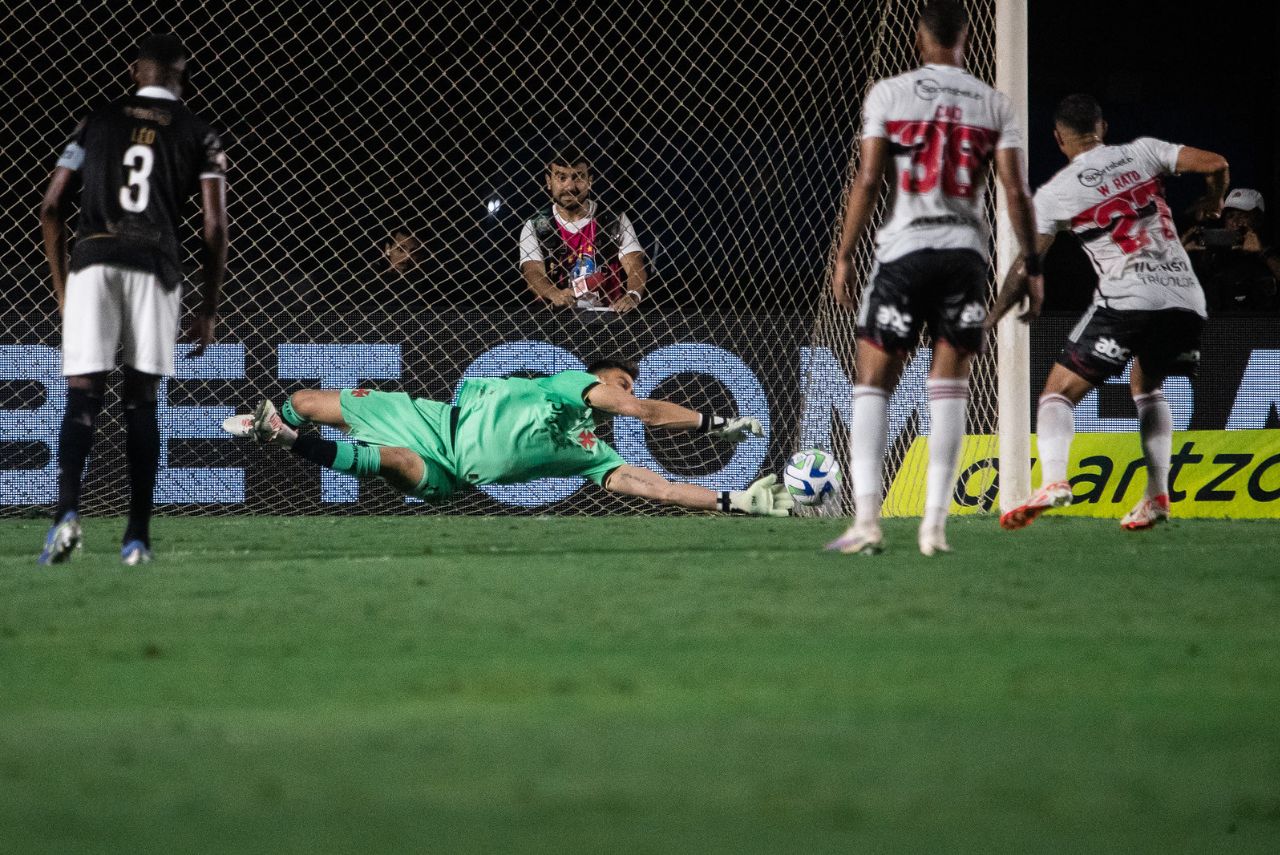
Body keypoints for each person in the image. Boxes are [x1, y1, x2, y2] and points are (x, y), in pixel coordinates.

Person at [825, 0, 1042, 557]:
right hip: (966, 257)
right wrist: (1032, 266)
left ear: (920, 36)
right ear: (967, 36)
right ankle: (934, 527)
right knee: (950, 386)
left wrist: (845, 255)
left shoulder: (889, 94)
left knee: (872, 381)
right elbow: (1016, 193)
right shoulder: (995, 103)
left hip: (905, 253)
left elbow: (869, 179)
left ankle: (868, 520)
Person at [990, 93, 1229, 532]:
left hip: (1127, 300)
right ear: (1102, 126)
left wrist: (994, 314)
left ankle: (1055, 481)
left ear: (1059, 139)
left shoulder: (1056, 193)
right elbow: (1216, 163)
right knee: (1147, 384)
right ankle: (1157, 495)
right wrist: (1214, 203)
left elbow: (1029, 264)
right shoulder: (1144, 152)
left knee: (1058, 391)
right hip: (1186, 299)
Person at [37, 33, 228, 565]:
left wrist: (63, 290)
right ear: (180, 74)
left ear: (134, 71)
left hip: (93, 261)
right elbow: (214, 228)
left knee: (83, 395)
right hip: (155, 263)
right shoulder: (201, 133)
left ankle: (66, 518)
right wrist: (209, 308)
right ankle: (137, 538)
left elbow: (52, 206)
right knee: (141, 400)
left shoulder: (95, 121)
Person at [221, 357, 792, 517]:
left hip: (450, 475)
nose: (622, 394)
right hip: (430, 418)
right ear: (597, 378)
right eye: (619, 381)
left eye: (622, 387)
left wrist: (734, 499)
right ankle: (276, 428)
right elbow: (643, 410)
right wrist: (714, 423)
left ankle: (286, 440)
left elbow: (658, 489)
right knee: (303, 403)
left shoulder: (596, 454)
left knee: (393, 461)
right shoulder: (572, 384)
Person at [518, 149, 648, 314]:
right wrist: (554, 294)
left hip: (610, 320)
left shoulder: (613, 219)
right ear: (549, 181)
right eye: (561, 177)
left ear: (590, 181)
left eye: (578, 177)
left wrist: (633, 294)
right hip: (556, 322)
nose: (570, 186)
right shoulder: (536, 226)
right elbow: (533, 272)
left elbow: (635, 265)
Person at [1182, 188, 1279, 312]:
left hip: (1262, 327)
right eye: (1231, 216)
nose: (1235, 222)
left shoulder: (1272, 251)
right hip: (1221, 327)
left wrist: (1263, 252)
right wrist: (1180, 253)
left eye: (1243, 216)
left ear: (1258, 219)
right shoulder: (1212, 254)